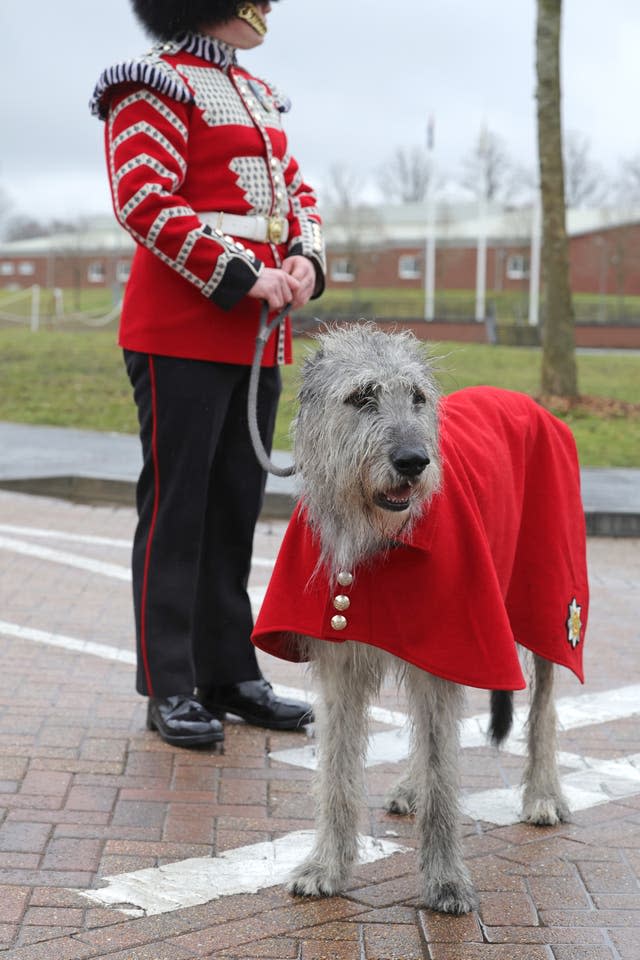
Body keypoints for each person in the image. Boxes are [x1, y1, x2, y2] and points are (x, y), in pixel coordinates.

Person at [90, 0, 324, 747]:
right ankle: (170, 683)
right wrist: (241, 272)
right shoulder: (151, 83)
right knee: (178, 510)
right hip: (182, 328)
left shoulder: (258, 93)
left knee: (233, 507)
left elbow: (296, 195)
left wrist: (303, 259)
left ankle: (227, 671)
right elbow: (144, 200)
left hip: (254, 329)